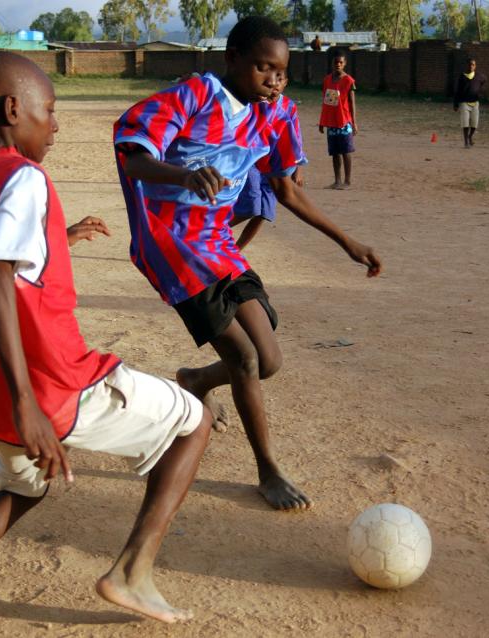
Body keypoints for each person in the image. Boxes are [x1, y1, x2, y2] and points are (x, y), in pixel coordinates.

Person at [0, 51, 212, 636]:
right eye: (50, 110)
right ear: (14, 109)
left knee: (24, 484)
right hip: (51, 385)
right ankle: (132, 574)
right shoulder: (23, 175)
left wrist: (57, 236)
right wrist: (26, 404)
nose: (56, 124)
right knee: (195, 419)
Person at [113, 16, 382, 511]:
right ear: (232, 59)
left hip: (217, 243)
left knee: (269, 359)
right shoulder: (194, 95)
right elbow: (132, 155)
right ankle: (268, 470)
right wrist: (184, 175)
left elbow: (285, 188)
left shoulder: (277, 114)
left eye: (281, 71)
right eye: (263, 68)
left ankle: (194, 380)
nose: (274, 80)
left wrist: (346, 241)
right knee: (244, 359)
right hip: (172, 243)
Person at [232, 74, 306, 251]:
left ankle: (235, 251)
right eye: (272, 80)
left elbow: (296, 137)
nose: (275, 85)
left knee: (264, 212)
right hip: (253, 163)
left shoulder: (289, 106)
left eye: (280, 80)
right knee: (250, 206)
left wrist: (298, 168)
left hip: (276, 166)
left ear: (286, 83)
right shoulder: (256, 102)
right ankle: (211, 235)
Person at [318, 49, 357, 189]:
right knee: (334, 153)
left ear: (345, 63)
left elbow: (352, 103)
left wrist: (354, 123)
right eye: (336, 62)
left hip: (344, 122)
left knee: (346, 151)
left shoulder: (348, 81)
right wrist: (322, 122)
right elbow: (325, 102)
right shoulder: (327, 80)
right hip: (331, 123)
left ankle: (347, 181)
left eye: (341, 62)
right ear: (332, 63)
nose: (338, 65)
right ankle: (337, 181)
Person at [453, 56, 486, 148]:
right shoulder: (461, 77)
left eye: (473, 65)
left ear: (475, 66)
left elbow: (483, 81)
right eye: (470, 64)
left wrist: (478, 90)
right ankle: (466, 142)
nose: (471, 66)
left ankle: (470, 136)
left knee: (474, 124)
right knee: (465, 123)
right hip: (464, 103)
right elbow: (457, 91)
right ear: (466, 66)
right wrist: (455, 104)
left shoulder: (479, 76)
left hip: (475, 103)